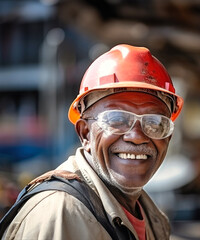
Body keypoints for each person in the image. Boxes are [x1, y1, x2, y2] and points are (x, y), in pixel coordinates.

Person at [1, 44, 183, 239]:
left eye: (155, 123)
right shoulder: (60, 213)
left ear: (167, 137)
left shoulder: (152, 218)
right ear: (85, 133)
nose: (137, 136)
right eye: (116, 120)